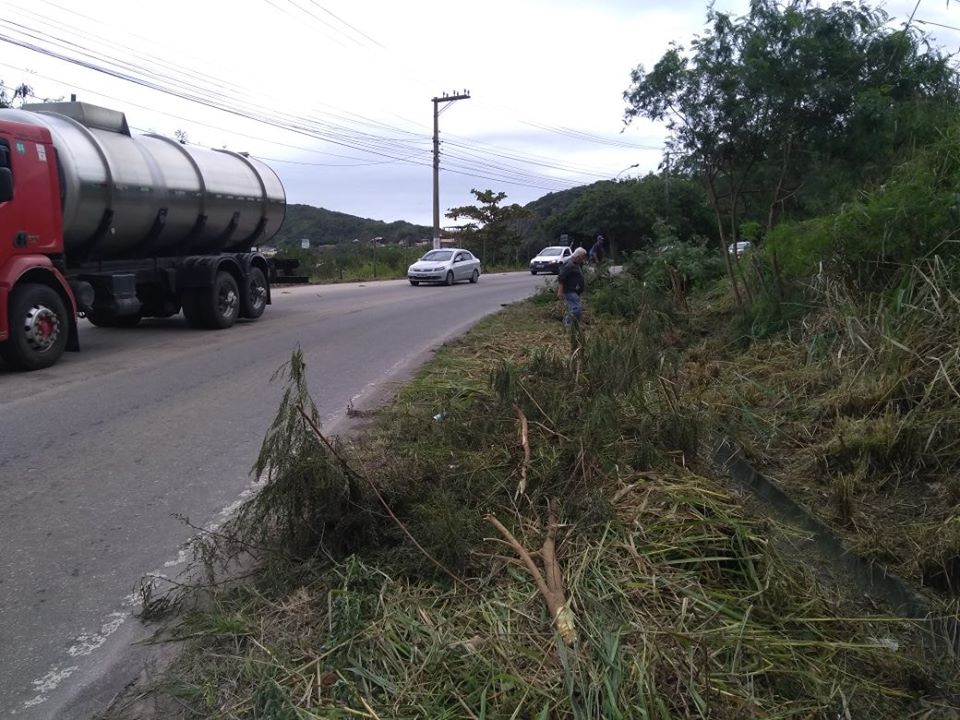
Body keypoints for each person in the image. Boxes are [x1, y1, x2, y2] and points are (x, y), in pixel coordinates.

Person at [556, 246, 588, 327]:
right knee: (576, 308)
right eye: (582, 258)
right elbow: (561, 277)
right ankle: (567, 323)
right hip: (569, 290)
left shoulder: (576, 263)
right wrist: (560, 291)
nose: (583, 260)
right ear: (578, 257)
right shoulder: (569, 264)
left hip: (574, 290)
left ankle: (576, 324)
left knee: (575, 307)